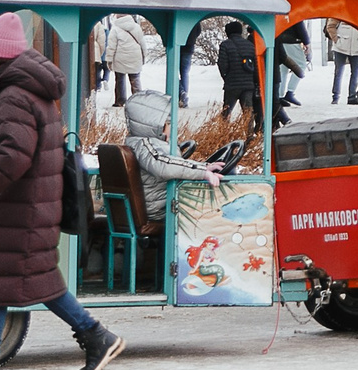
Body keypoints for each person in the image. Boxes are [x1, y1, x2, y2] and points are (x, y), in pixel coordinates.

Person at [0, 12, 122, 370]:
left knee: (0, 279)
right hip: (28, 205)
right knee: (15, 281)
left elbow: (13, 157)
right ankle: (93, 338)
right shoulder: (30, 90)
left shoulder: (12, 96)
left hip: (19, 208)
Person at [120, 90, 226, 232]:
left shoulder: (143, 143)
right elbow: (164, 165)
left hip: (158, 203)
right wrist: (202, 172)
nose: (173, 128)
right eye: (169, 124)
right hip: (159, 209)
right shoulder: (145, 145)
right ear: (155, 125)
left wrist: (205, 166)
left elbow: (171, 162)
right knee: (211, 212)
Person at [101, 12, 152, 108]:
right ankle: (138, 101)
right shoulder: (136, 27)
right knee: (135, 79)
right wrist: (144, 56)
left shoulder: (115, 29)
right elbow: (142, 43)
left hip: (120, 58)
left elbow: (111, 47)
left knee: (120, 79)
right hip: (135, 57)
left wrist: (109, 60)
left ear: (117, 17)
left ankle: (120, 101)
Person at [215, 20, 260, 123]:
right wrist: (254, 81)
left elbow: (222, 64)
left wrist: (226, 77)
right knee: (248, 113)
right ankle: (249, 132)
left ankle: (224, 131)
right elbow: (256, 66)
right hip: (248, 85)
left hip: (232, 85)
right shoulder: (250, 45)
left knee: (226, 112)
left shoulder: (225, 45)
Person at [328, 19, 358, 104]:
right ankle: (335, 97)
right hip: (340, 48)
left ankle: (352, 97)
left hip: (356, 48)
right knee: (339, 72)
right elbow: (330, 26)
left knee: (356, 73)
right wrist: (337, 40)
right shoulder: (340, 12)